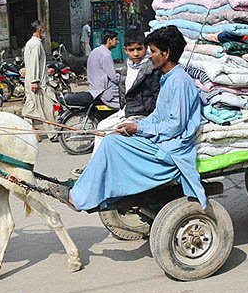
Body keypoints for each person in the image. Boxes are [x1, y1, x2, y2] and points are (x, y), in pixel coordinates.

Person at [52, 25, 206, 211]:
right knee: (112, 139)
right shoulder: (168, 79)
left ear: (166, 53)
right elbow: (157, 116)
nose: (149, 56)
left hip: (172, 150)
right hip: (162, 141)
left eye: (153, 52)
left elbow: (175, 126)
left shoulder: (179, 81)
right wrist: (134, 125)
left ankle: (79, 196)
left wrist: (139, 129)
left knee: (112, 144)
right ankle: (87, 191)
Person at [71, 29, 161, 177]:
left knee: (112, 135)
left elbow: (156, 95)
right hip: (127, 109)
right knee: (101, 127)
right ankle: (94, 166)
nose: (136, 53)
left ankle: (101, 169)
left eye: (139, 49)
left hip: (142, 112)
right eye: (131, 50)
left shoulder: (151, 68)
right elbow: (123, 89)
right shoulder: (128, 65)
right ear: (125, 51)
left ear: (146, 48)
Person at [22, 21, 57, 141]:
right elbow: (35, 63)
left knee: (30, 106)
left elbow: (34, 64)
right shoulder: (36, 44)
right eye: (43, 29)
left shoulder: (30, 43)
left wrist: (46, 70)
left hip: (32, 80)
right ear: (39, 30)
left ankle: (29, 133)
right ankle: (53, 133)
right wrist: (35, 81)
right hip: (37, 83)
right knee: (48, 107)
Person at [87, 29, 120, 109]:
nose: (118, 42)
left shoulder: (95, 51)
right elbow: (114, 78)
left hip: (93, 88)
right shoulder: (106, 55)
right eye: (116, 39)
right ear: (109, 40)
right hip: (103, 91)